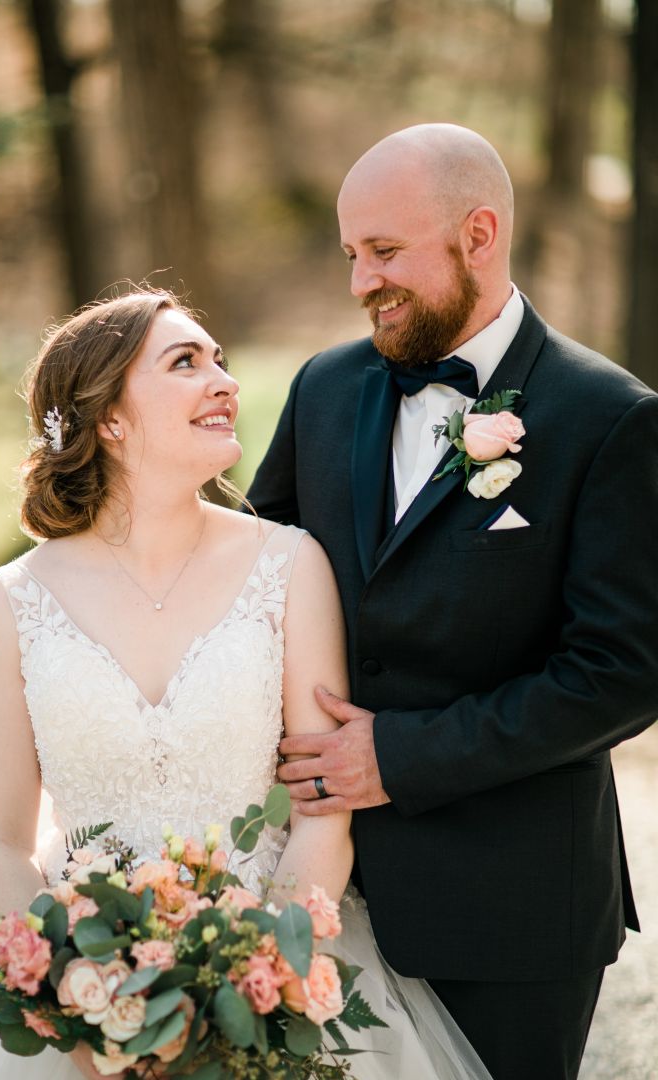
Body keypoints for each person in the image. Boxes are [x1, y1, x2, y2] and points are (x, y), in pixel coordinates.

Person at [0, 289, 493, 1080]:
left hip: (273, 963)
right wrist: (76, 1002)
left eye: (221, 361)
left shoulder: (291, 565)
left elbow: (321, 809)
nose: (224, 382)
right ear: (109, 418)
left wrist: (256, 984)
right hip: (79, 987)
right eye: (185, 362)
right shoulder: (8, 602)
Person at [241, 124, 658, 1080]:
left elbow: (622, 673)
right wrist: (33, 608)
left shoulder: (611, 418)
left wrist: (399, 755)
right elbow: (243, 572)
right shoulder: (324, 387)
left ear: (479, 234)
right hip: (316, 893)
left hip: (510, 909)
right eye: (351, 255)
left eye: (385, 251)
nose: (362, 282)